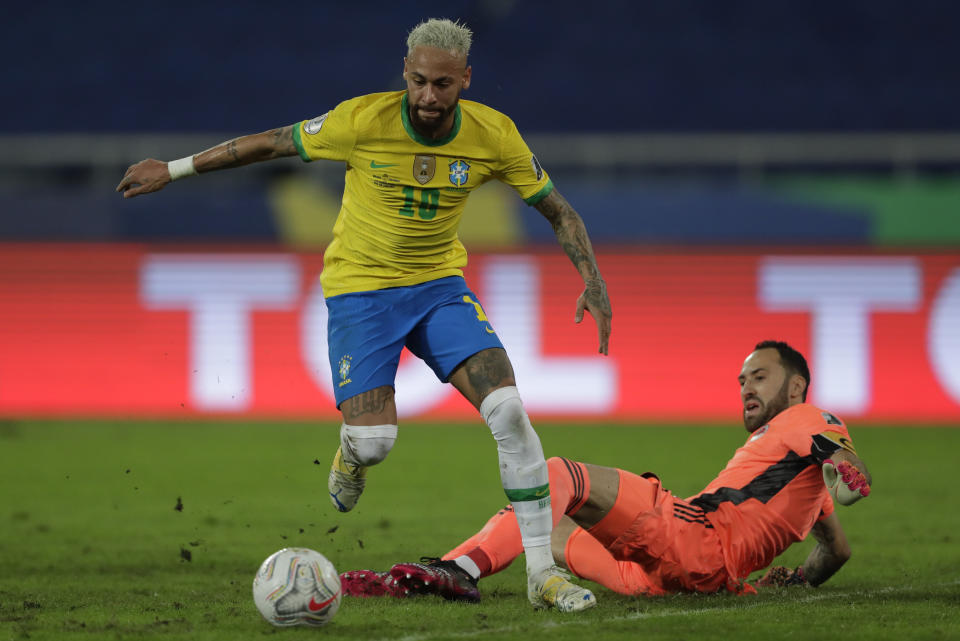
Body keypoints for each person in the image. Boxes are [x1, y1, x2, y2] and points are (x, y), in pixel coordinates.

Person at [115, 18, 611, 613]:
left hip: (438, 289)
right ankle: (352, 452)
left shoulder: (493, 134)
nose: (429, 97)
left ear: (466, 81)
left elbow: (558, 210)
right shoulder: (362, 120)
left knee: (508, 412)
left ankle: (542, 574)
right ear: (405, 74)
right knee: (375, 443)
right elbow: (272, 142)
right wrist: (171, 170)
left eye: (444, 85)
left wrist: (593, 278)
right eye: (419, 82)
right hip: (361, 293)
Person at [339, 340, 872, 604]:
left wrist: (847, 469)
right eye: (741, 380)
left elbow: (836, 454)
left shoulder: (806, 418)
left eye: (760, 377)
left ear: (797, 387)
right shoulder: (796, 481)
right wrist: (798, 578)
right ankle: (411, 581)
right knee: (539, 516)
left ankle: (457, 572)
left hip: (692, 539)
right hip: (672, 580)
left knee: (551, 475)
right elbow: (837, 551)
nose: (747, 388)